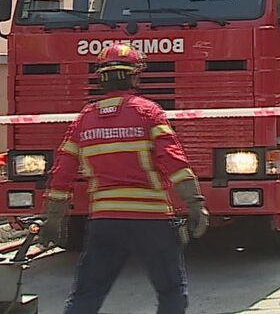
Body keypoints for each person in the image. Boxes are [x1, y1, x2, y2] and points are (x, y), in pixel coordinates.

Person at [40, 44, 209, 314]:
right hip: (152, 221)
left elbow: (62, 173)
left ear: (101, 78)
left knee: (87, 294)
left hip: (105, 223)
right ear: (134, 76)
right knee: (171, 291)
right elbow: (174, 161)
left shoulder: (84, 120)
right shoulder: (149, 113)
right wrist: (195, 203)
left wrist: (53, 218)